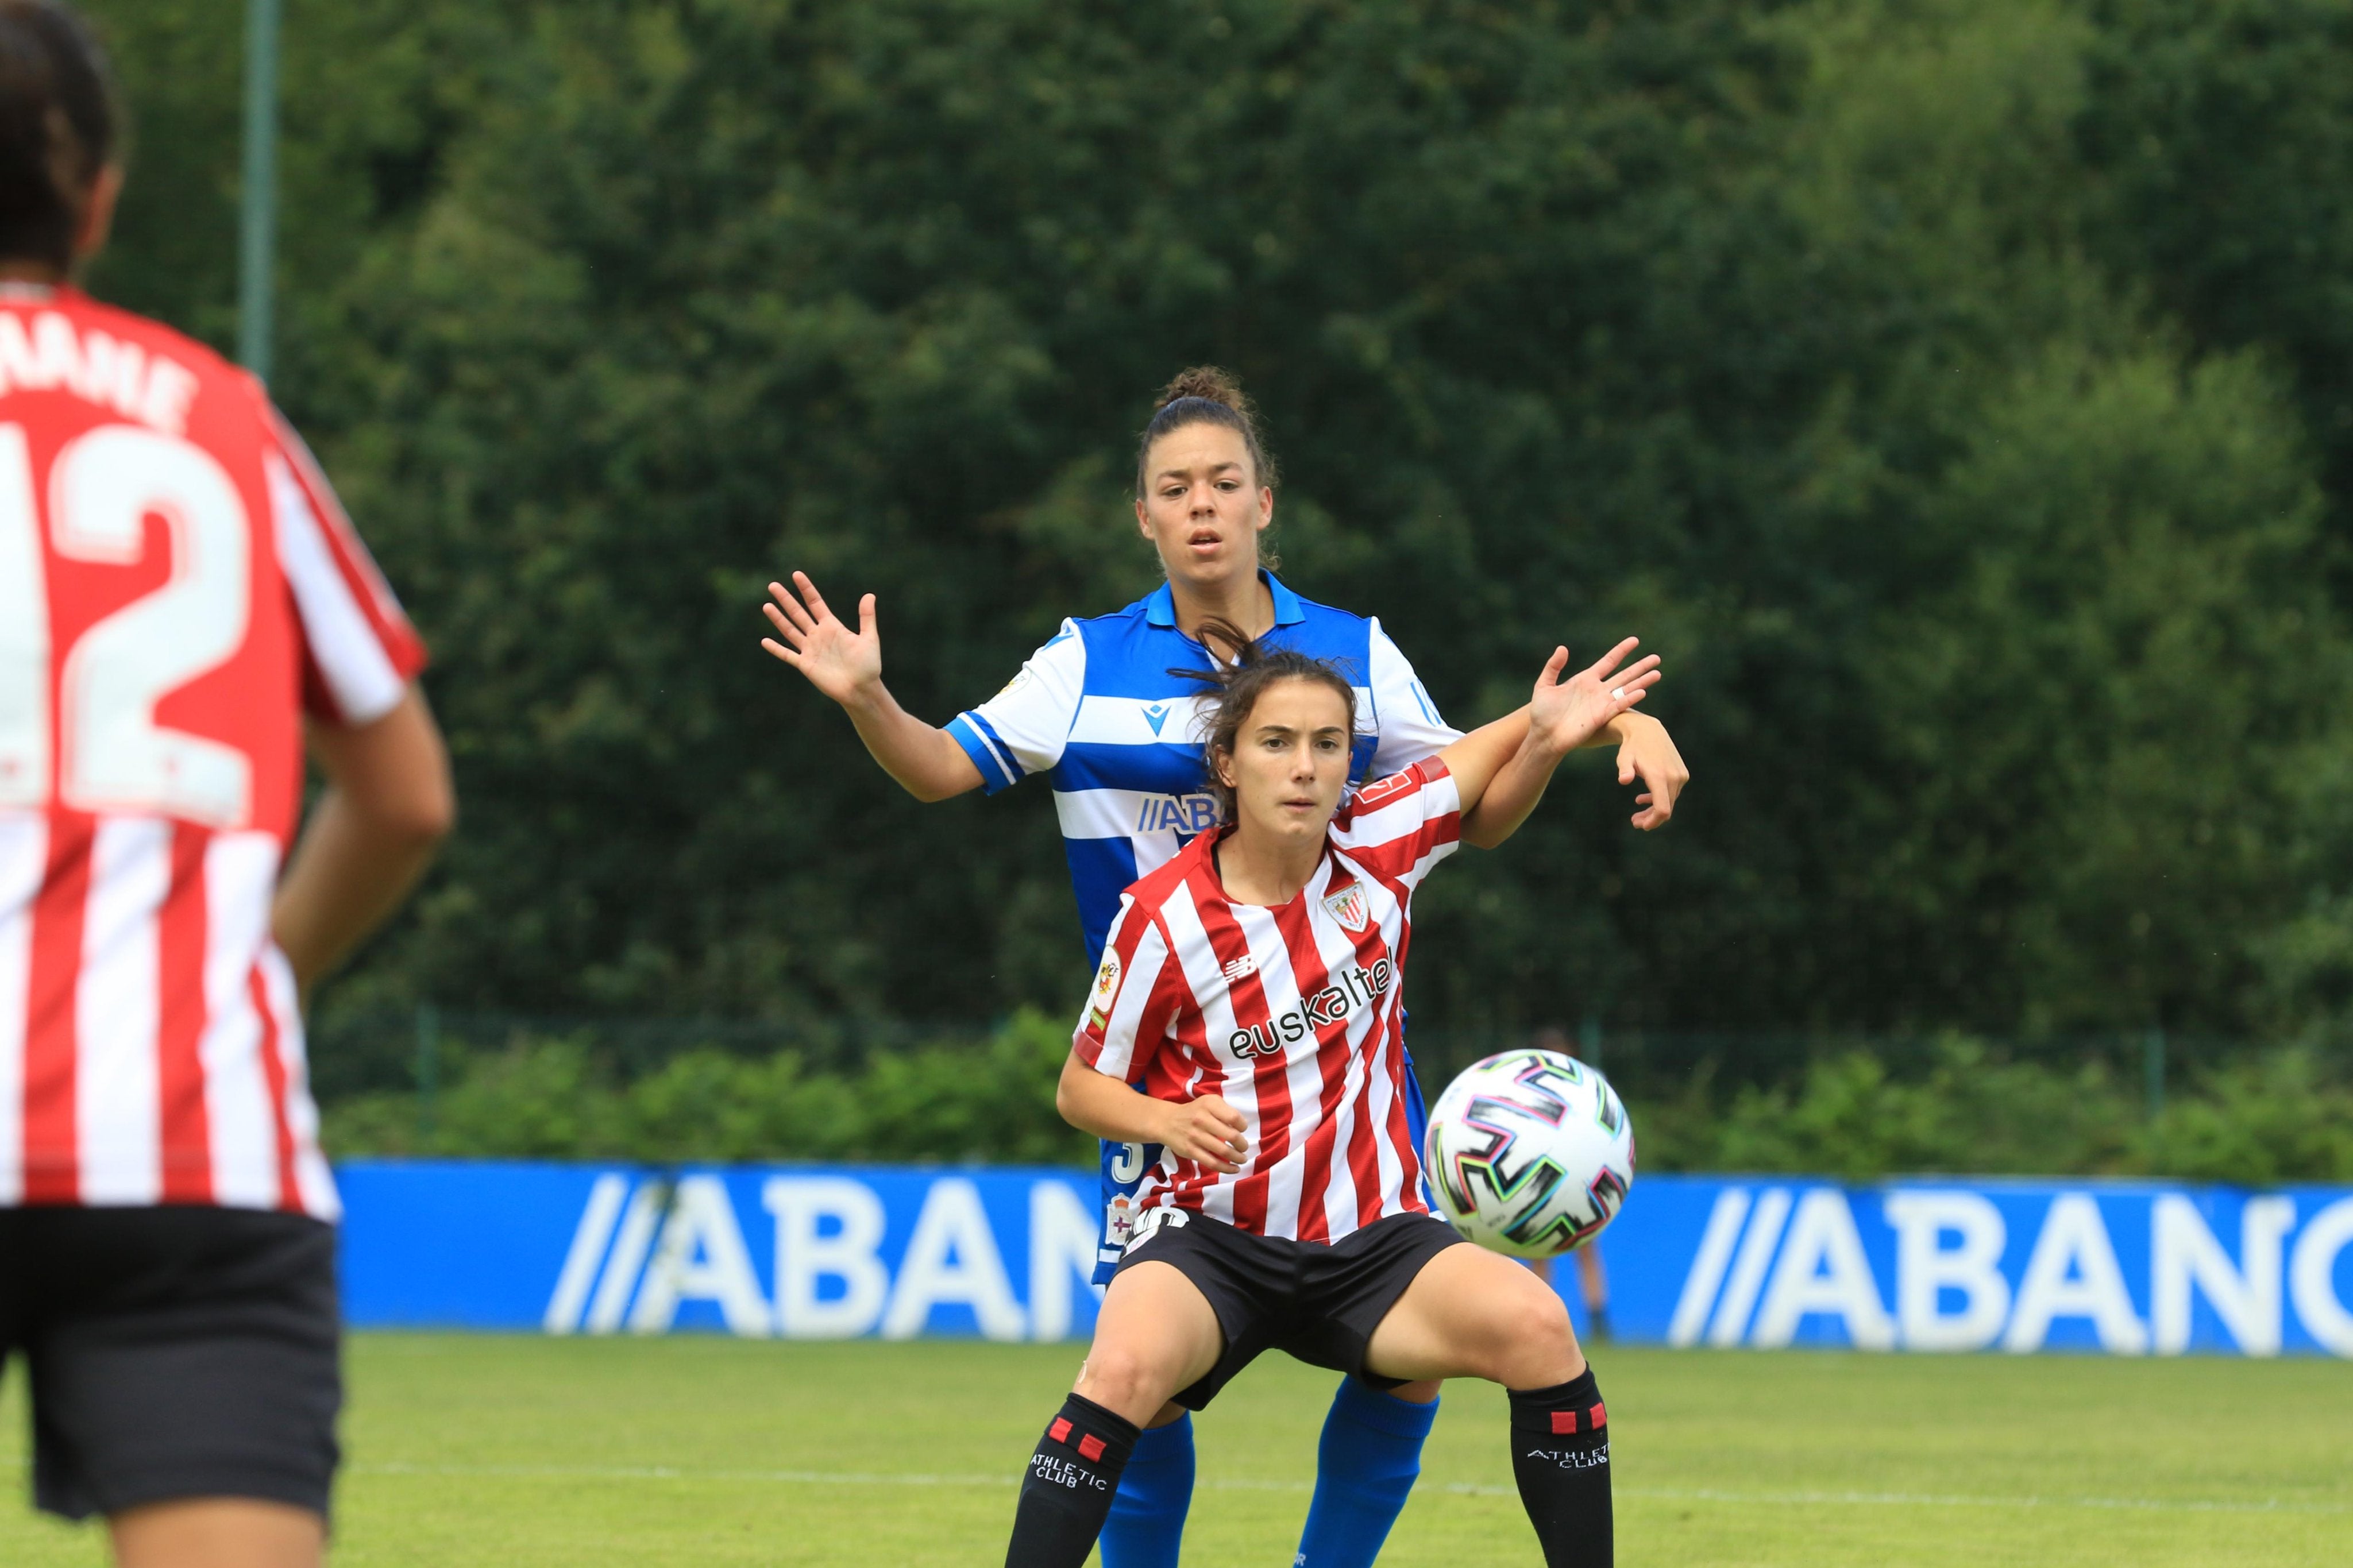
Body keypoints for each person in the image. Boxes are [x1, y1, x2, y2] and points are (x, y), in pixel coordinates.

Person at [763, 368, 1688, 1567]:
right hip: (1167, 1086)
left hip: (1347, 1068)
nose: (1199, 507)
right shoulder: (1085, 667)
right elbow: (942, 768)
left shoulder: (1350, 656)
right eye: (1171, 489)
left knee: (1419, 1368)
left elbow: (1477, 780)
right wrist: (868, 700)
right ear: (1141, 516)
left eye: (1223, 483)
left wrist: (1620, 724)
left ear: (1266, 502)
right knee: (1137, 1384)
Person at [0, 5, 453, 1564]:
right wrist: (250, 972)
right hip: (195, 1146)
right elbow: (401, 791)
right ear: (101, 198)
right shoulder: (221, 419)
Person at [1004, 621, 1656, 1568]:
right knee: (1123, 1370)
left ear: (1351, 760)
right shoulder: (1162, 918)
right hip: (1210, 1237)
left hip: (1376, 1241)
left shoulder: (1382, 837)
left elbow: (1498, 755)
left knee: (1538, 1327)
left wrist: (1555, 732)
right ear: (1226, 762)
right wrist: (1165, 1119)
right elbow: (1080, 1088)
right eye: (1276, 743)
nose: (1304, 768)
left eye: (1327, 744)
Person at [1529, 1027, 1612, 1341]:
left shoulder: (1589, 1081)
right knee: (1540, 1250)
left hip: (1579, 1175)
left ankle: (1598, 1319)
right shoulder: (1534, 1088)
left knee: (1586, 1248)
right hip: (1544, 1177)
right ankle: (1542, 1318)